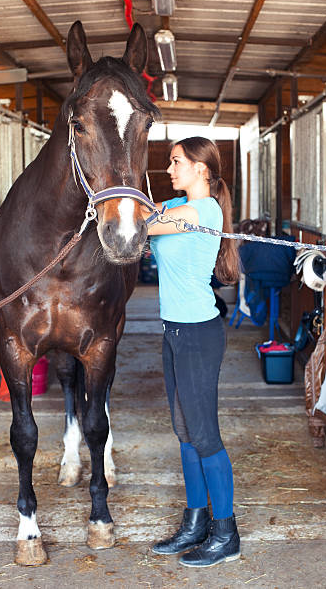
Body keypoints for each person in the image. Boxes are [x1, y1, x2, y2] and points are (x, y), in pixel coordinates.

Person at [143, 137, 240, 568]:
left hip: (199, 333)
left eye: (177, 161)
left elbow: (141, 223)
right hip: (174, 331)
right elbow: (144, 217)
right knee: (184, 432)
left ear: (202, 168)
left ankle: (225, 534)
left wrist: (146, 212)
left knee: (204, 436)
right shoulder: (175, 207)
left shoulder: (203, 212)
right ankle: (196, 522)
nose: (169, 168)